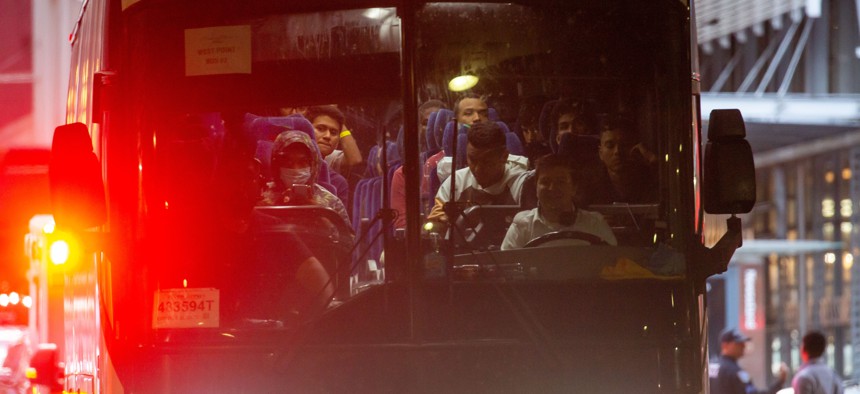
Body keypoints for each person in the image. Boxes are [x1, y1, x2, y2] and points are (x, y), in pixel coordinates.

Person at [427, 121, 529, 232]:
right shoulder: (455, 183)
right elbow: (434, 227)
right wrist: (444, 221)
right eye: (472, 160)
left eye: (486, 162)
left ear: (504, 157)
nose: (477, 169)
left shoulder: (523, 184)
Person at [501, 154, 616, 249]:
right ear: (536, 187)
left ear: (574, 188)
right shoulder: (522, 225)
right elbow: (506, 268)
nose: (552, 188)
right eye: (545, 182)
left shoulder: (595, 223)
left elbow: (613, 264)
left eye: (560, 182)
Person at [259, 129, 351, 228]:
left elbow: (347, 240)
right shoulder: (261, 196)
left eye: (302, 162)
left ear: (312, 165)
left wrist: (318, 213)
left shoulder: (331, 203)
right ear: (277, 165)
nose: (295, 169)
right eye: (287, 163)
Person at [391, 99, 447, 230]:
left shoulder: (463, 163)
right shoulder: (405, 172)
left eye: (439, 122)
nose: (434, 128)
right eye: (426, 123)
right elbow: (401, 222)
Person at [583, 114, 657, 205]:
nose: (617, 151)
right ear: (600, 153)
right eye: (610, 146)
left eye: (624, 145)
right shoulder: (589, 186)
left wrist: (652, 159)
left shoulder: (648, 179)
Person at [710, 327, 788, 394]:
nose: (743, 346)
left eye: (743, 343)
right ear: (725, 345)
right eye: (738, 343)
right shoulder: (735, 372)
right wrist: (779, 383)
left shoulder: (710, 366)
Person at [305, 105, 363, 176]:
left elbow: (355, 159)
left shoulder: (329, 158)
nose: (327, 136)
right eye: (320, 129)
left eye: (333, 132)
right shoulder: (292, 151)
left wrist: (337, 118)